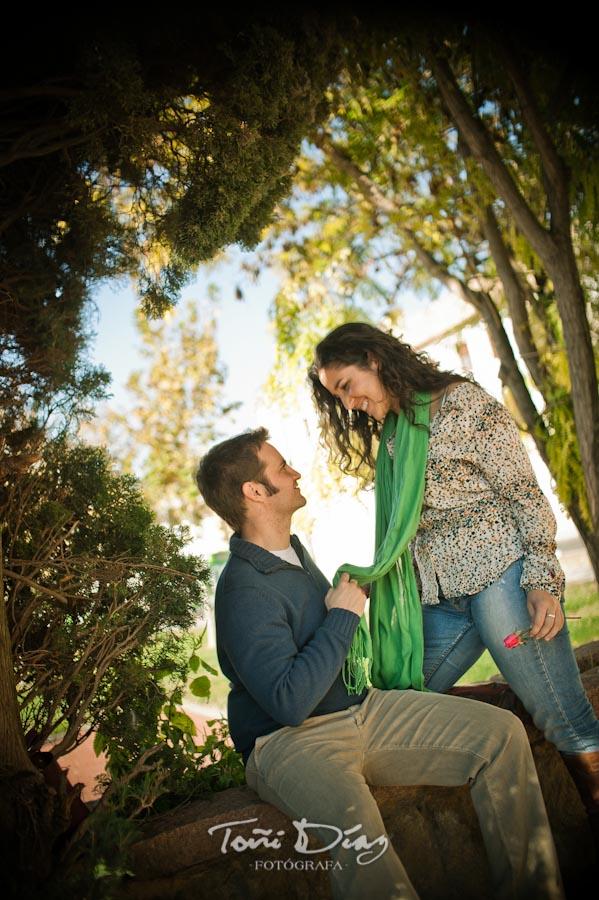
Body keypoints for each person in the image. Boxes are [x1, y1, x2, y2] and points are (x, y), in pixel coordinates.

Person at [194, 426, 564, 900]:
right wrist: (343, 617)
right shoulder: (243, 588)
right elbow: (289, 702)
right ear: (255, 491)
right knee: (362, 840)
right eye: (282, 467)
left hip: (363, 711)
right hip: (289, 743)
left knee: (501, 735)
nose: (295, 472)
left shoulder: (291, 552)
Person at [309, 320, 599, 859]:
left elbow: (524, 494)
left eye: (347, 385)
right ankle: (505, 693)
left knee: (565, 717)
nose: (348, 404)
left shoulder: (464, 404)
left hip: (501, 578)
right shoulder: (395, 434)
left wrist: (541, 580)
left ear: (373, 359)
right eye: (337, 397)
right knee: (400, 697)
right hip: (440, 598)